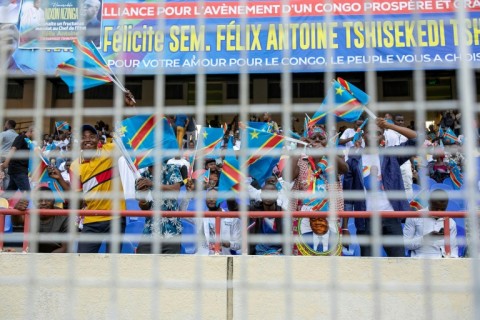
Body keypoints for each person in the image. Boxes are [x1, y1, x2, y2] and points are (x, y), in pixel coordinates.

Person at [343, 117, 417, 257]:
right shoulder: (354, 161)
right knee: (368, 263)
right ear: (363, 134)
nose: (373, 135)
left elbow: (416, 140)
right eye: (369, 132)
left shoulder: (391, 155)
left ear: (382, 136)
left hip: (391, 217)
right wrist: (345, 227)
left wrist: (391, 126)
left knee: (398, 261)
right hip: (366, 219)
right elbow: (348, 197)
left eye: (378, 133)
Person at [48, 124, 126, 253]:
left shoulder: (110, 150)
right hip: (91, 219)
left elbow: (128, 136)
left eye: (91, 136)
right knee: (83, 260)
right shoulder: (74, 166)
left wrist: (130, 107)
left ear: (98, 139)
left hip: (115, 218)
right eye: (84, 137)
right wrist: (60, 179)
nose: (88, 139)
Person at [135, 162, 183, 254]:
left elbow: (176, 190)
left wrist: (152, 184)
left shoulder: (172, 168)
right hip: (150, 231)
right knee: (141, 262)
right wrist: (142, 198)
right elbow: (144, 207)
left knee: (170, 267)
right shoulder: (141, 177)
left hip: (171, 232)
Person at [403, 188, 458, 258]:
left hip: (442, 262)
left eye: (442, 209)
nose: (439, 212)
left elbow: (453, 249)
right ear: (429, 202)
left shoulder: (451, 223)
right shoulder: (414, 217)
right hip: (418, 260)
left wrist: (451, 263)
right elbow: (405, 244)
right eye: (436, 208)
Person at [12, 186, 69, 253]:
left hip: (57, 256)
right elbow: (16, 222)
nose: (43, 203)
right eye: (39, 200)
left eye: (47, 199)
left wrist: (45, 260)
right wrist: (16, 210)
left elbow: (65, 248)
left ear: (53, 200)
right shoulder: (30, 214)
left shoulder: (64, 216)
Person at [197, 187, 241, 255]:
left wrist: (229, 244)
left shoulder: (233, 219)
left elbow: (239, 244)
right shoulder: (200, 218)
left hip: (225, 258)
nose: (211, 199)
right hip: (205, 259)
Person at [249, 183, 284, 255]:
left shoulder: (284, 214)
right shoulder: (254, 210)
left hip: (280, 255)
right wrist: (230, 186)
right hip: (258, 254)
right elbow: (234, 208)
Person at [384, 114, 413, 199]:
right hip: (392, 161)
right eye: (398, 120)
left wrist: (412, 163)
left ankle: (408, 204)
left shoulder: (406, 132)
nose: (400, 122)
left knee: (407, 184)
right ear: (393, 121)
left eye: (402, 120)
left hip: (405, 162)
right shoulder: (387, 132)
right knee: (392, 184)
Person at [0, 125, 34, 194]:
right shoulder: (21, 137)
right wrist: (6, 163)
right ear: (31, 131)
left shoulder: (29, 141)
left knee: (10, 192)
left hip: (20, 169)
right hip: (18, 169)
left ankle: (3, 202)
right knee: (27, 193)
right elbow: (13, 149)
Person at [0, 120, 18, 190]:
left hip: (1, 158)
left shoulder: (3, 134)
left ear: (8, 125)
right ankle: (7, 197)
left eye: (5, 124)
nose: (4, 126)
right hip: (12, 159)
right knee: (7, 177)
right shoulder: (17, 136)